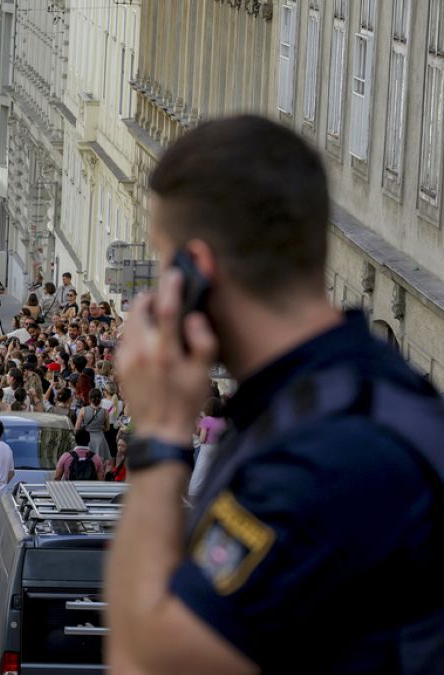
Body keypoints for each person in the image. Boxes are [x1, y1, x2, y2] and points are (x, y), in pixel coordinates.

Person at [106, 116, 444, 674]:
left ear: (197, 271)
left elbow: (141, 663)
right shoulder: (357, 395)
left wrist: (159, 435)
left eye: (165, 265)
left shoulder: (323, 458)